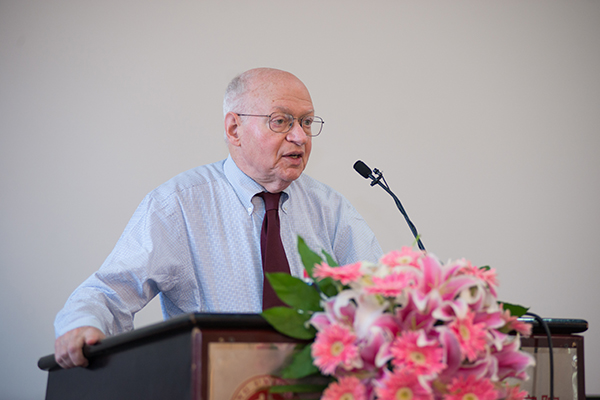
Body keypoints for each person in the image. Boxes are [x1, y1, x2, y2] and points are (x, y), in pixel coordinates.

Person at [53, 68, 382, 369]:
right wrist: (82, 324)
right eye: (281, 121)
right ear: (234, 129)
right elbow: (109, 292)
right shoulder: (178, 205)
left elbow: (380, 295)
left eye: (307, 122)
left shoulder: (330, 208)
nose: (301, 137)